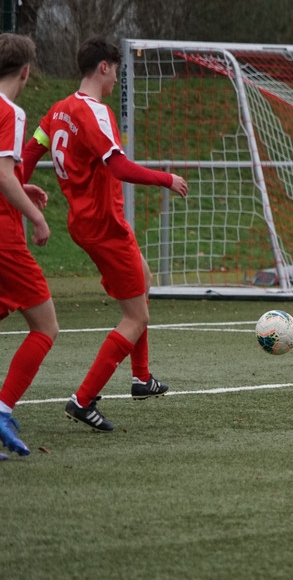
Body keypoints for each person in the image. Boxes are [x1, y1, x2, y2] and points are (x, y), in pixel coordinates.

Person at [22, 36, 188, 431]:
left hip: (84, 222)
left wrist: (20, 190)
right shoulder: (95, 112)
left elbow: (29, 153)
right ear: (103, 67)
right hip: (105, 226)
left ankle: (141, 378)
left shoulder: (59, 109)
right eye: (116, 71)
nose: (116, 79)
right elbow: (120, 167)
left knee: (143, 277)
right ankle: (82, 400)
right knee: (136, 317)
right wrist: (166, 179)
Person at [0, 34, 58, 457]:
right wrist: (35, 217)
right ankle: (2, 410)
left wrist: (22, 186)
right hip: (3, 239)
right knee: (45, 326)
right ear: (25, 72)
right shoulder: (11, 111)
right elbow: (1, 175)